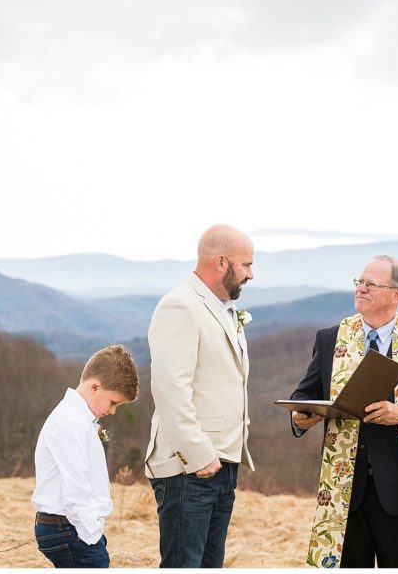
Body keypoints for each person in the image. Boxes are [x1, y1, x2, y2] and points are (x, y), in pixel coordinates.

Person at [289, 255, 398, 568]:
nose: (361, 289)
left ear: (397, 295)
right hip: (344, 494)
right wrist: (300, 415)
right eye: (359, 282)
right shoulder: (329, 339)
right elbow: (305, 393)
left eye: (371, 284)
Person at [144, 224, 256, 568]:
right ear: (221, 262)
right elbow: (170, 389)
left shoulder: (222, 307)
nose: (252, 275)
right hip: (190, 469)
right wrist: (200, 456)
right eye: (246, 265)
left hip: (222, 464)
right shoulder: (179, 306)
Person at [32, 344, 140, 568]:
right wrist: (92, 536)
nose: (112, 411)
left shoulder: (79, 420)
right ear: (94, 387)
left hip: (69, 527)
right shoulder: (72, 422)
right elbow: (77, 487)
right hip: (68, 528)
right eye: (113, 402)